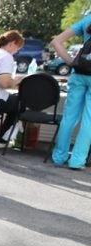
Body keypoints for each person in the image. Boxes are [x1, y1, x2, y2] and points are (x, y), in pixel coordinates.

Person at [51, 14, 91, 170]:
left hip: (79, 74)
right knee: (89, 120)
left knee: (69, 117)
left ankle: (59, 157)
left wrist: (71, 62)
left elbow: (56, 41)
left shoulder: (87, 19)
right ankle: (77, 160)